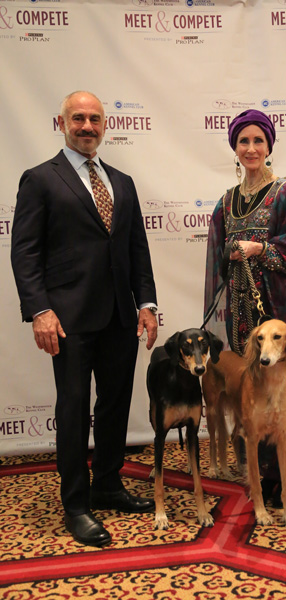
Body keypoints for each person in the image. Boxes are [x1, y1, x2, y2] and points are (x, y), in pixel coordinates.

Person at [11, 91, 158, 547]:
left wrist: (147, 304)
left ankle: (108, 485)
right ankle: (76, 504)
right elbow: (25, 252)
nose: (87, 126)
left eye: (95, 118)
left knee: (115, 404)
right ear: (62, 123)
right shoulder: (40, 179)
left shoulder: (123, 182)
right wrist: (39, 310)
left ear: (104, 126)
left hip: (119, 317)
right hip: (67, 319)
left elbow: (136, 248)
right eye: (78, 117)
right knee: (73, 410)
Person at [203, 109, 286, 502]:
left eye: (258, 140)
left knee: (285, 388)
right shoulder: (226, 202)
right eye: (244, 141)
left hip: (283, 310)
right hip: (244, 314)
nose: (251, 148)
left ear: (269, 146)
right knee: (250, 389)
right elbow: (219, 256)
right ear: (235, 147)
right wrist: (231, 253)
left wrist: (260, 249)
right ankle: (257, 472)